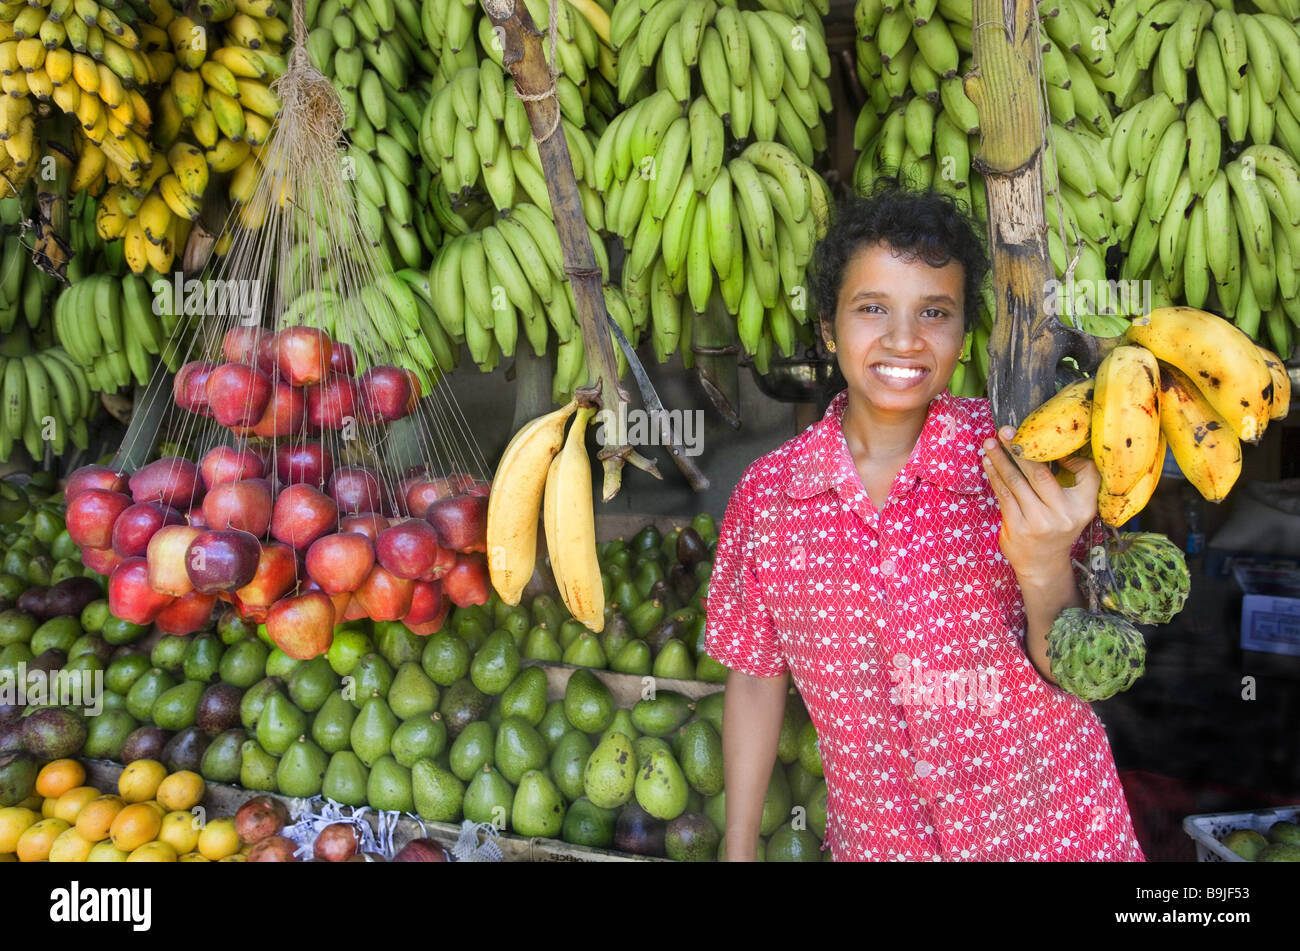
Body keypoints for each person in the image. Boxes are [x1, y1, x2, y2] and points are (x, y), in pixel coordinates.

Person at [704, 185, 1144, 862]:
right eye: (872, 308)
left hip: (1053, 833)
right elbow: (758, 677)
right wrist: (738, 850)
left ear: (962, 334)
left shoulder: (1020, 457)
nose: (903, 339)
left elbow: (1082, 671)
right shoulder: (769, 499)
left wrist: (1045, 562)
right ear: (828, 325)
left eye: (933, 312)